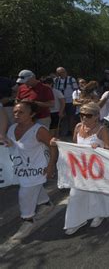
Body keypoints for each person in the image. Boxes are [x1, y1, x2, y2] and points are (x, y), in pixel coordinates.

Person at [59, 103, 109, 235]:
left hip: (97, 169)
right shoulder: (78, 127)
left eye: (88, 115)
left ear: (96, 116)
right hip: (80, 169)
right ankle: (76, 221)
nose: (84, 118)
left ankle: (99, 214)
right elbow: (74, 145)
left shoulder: (102, 130)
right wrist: (58, 143)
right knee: (75, 195)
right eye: (81, 115)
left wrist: (99, 149)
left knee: (97, 193)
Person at [6, 101, 57, 240]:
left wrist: (51, 165)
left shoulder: (39, 130)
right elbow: (13, 146)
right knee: (32, 187)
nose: (16, 115)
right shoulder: (12, 128)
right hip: (20, 168)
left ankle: (28, 220)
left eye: (21, 112)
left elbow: (53, 146)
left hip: (37, 168)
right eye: (15, 112)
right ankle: (46, 204)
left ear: (32, 114)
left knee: (25, 192)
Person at [54, 67, 78, 136]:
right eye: (60, 72)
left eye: (63, 72)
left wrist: (75, 99)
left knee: (71, 117)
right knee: (59, 117)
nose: (62, 73)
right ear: (57, 73)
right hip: (59, 101)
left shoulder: (71, 79)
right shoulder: (56, 80)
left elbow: (76, 90)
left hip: (70, 101)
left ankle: (71, 132)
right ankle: (58, 132)